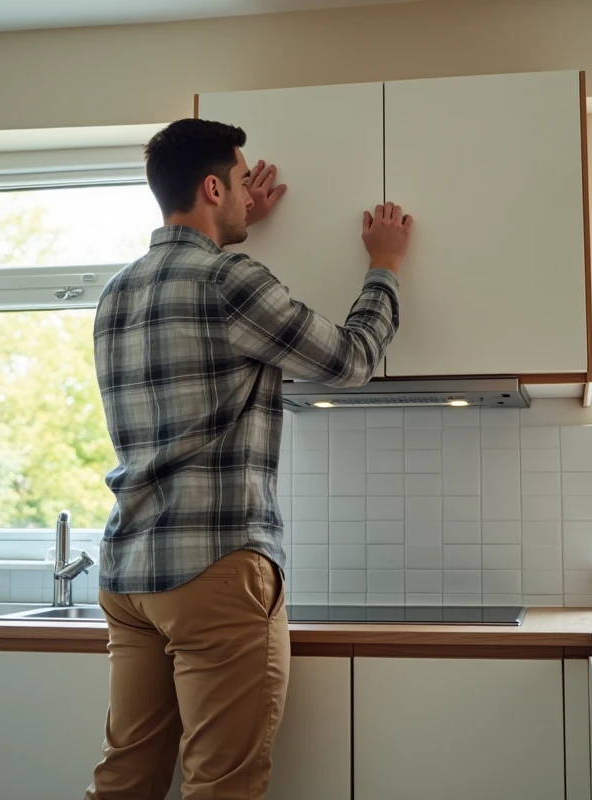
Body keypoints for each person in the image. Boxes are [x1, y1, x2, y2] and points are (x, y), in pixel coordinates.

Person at [85, 117, 412, 800]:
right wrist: (383, 266)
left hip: (129, 573)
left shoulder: (117, 292)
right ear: (211, 187)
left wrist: (233, 224)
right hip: (215, 570)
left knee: (124, 780)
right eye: (238, 183)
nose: (247, 195)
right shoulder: (231, 280)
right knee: (222, 787)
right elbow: (351, 361)